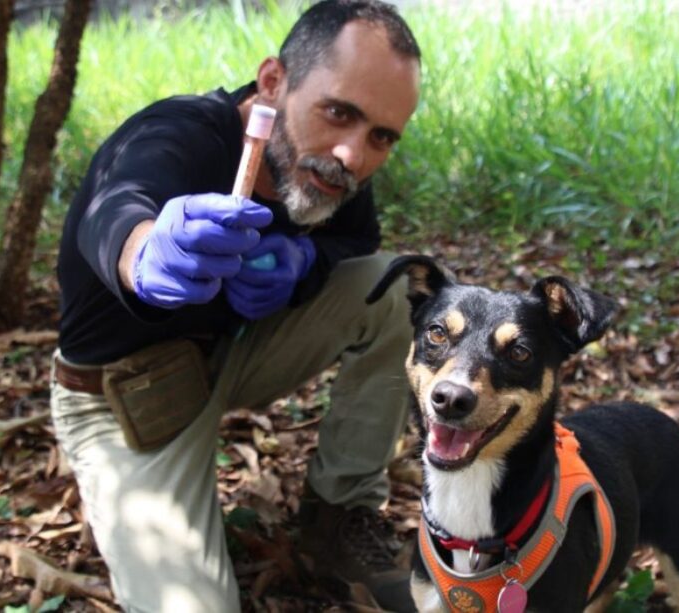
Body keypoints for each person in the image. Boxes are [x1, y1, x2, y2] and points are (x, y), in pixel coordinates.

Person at [50, 1, 422, 610]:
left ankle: (338, 521)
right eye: (339, 112)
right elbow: (117, 206)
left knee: (397, 290)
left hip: (235, 354)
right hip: (127, 396)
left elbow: (356, 243)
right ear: (274, 81)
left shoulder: (333, 171)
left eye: (381, 136)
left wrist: (306, 267)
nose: (355, 155)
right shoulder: (179, 135)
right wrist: (148, 258)